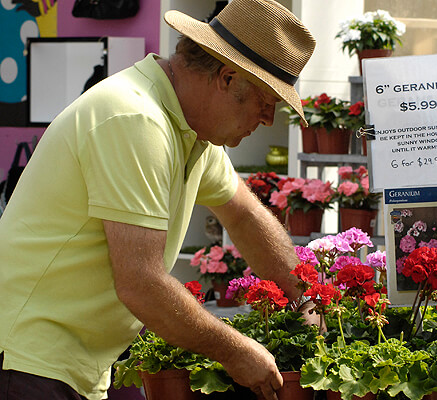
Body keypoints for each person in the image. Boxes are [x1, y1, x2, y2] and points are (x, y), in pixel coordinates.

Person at [0, 1, 316, 399]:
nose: (268, 119)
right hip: (26, 361)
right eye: (265, 101)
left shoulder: (185, 125)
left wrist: (305, 296)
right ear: (227, 77)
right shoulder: (137, 118)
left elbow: (245, 214)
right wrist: (235, 350)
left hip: (56, 365)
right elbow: (142, 284)